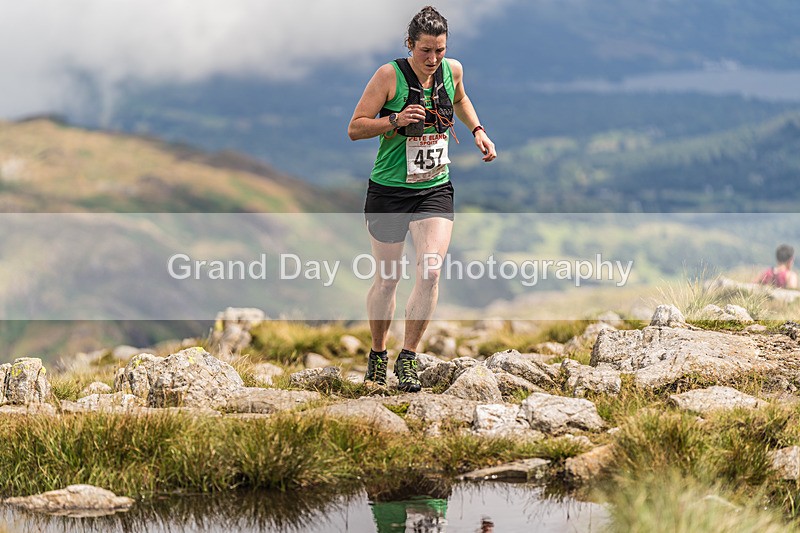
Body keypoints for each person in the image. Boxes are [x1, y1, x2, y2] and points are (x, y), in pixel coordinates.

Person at [348, 6, 496, 391]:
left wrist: (478, 129)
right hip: (389, 191)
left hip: (434, 187)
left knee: (430, 271)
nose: (432, 60)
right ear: (409, 44)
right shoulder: (389, 76)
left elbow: (460, 100)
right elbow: (355, 128)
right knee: (388, 279)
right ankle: (378, 354)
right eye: (425, 51)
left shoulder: (452, 70)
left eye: (440, 51)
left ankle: (408, 357)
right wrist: (394, 120)